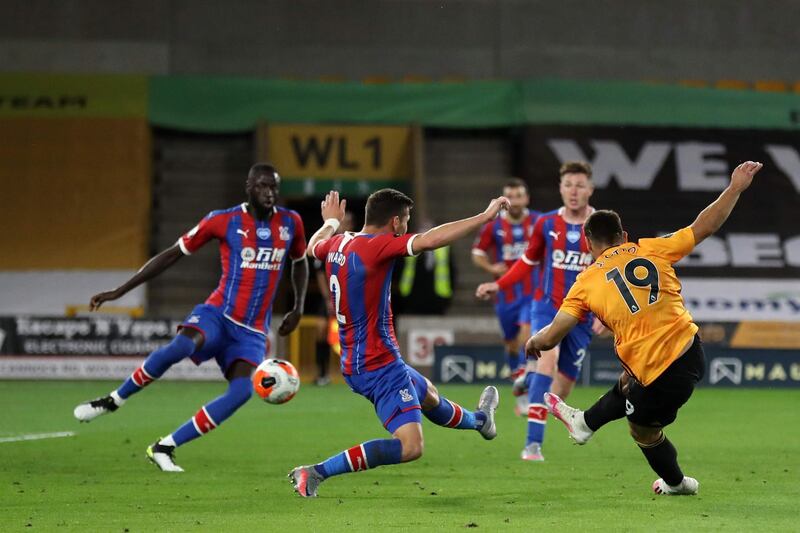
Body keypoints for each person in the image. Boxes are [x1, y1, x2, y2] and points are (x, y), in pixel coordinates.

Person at [527, 161, 763, 495]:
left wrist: (534, 341)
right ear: (624, 236)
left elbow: (552, 336)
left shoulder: (585, 282)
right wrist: (735, 188)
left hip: (660, 373)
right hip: (690, 351)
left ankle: (677, 483)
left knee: (643, 432)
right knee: (628, 381)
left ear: (588, 245)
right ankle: (584, 423)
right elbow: (703, 226)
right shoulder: (652, 247)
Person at [73, 163, 309, 472]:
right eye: (263, 186)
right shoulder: (223, 220)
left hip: (251, 332)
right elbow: (172, 254)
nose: (270, 193)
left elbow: (300, 262)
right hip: (218, 314)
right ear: (249, 187)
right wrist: (120, 291)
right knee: (179, 348)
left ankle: (165, 446)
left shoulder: (291, 223)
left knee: (241, 393)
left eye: (274, 187)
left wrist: (299, 306)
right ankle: (114, 399)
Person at [289, 189, 505, 498]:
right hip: (378, 365)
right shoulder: (377, 246)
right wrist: (484, 217)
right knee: (411, 447)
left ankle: (481, 421)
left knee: (428, 395)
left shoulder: (338, 242)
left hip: (359, 361)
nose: (407, 226)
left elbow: (313, 247)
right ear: (395, 222)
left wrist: (331, 223)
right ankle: (315, 473)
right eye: (405, 220)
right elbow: (431, 239)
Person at [476, 161, 601, 461]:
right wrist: (500, 284)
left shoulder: (601, 224)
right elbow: (528, 262)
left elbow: (610, 269)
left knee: (563, 387)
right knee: (547, 362)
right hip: (547, 307)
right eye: (568, 184)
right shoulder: (546, 224)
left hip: (582, 317)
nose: (573, 191)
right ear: (560, 188)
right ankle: (533, 445)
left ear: (590, 189)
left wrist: (602, 315)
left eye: (580, 185)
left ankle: (529, 382)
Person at [471, 178, 540, 386]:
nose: (515, 201)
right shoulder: (494, 226)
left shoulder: (538, 221)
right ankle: (517, 380)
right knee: (511, 344)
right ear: (503, 201)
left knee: (527, 335)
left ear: (526, 198)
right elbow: (477, 253)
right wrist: (491, 268)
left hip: (532, 291)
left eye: (519, 196)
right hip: (505, 294)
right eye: (510, 197)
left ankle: (526, 381)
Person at [312, 211, 354, 385]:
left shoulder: (355, 243)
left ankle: (355, 373)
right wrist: (328, 298)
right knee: (321, 330)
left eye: (349, 222)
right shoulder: (329, 243)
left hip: (349, 298)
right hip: (331, 297)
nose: (346, 225)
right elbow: (320, 273)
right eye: (343, 222)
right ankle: (322, 374)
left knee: (353, 335)